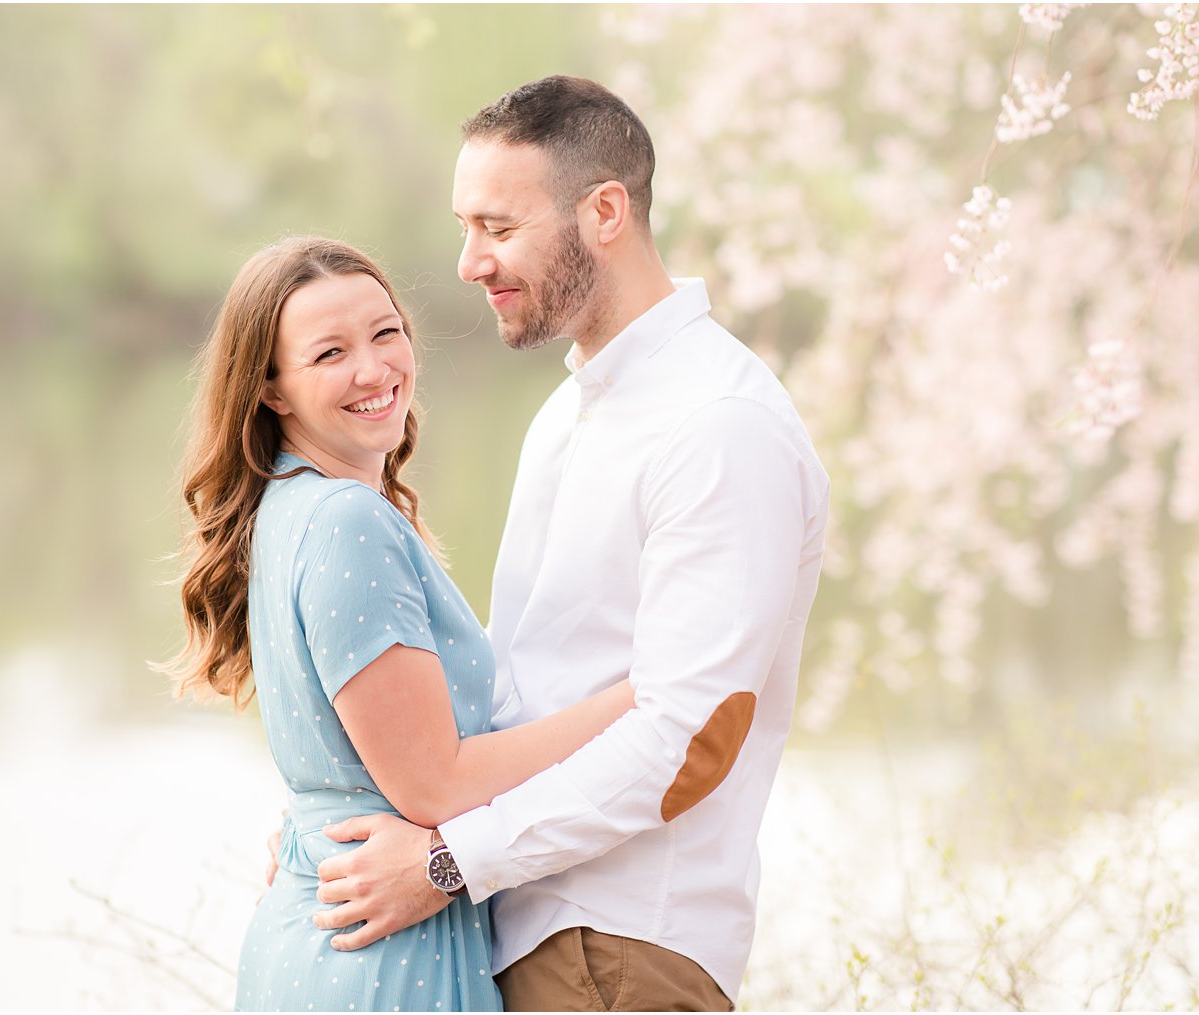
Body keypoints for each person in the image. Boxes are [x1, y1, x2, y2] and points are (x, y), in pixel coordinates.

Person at [304, 77, 830, 1011]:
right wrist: (350, 825)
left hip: (621, 948)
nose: (469, 262)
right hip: (523, 931)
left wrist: (445, 861)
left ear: (605, 213)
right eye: (466, 227)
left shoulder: (717, 426)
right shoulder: (568, 412)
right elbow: (525, 695)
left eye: (498, 228)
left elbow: (692, 738)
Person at [159, 236, 637, 1012]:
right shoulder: (345, 519)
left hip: (330, 931)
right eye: (330, 353)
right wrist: (634, 699)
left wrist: (317, 824)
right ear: (272, 389)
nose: (376, 370)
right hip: (378, 957)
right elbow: (432, 781)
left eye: (386, 334)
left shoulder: (289, 504)